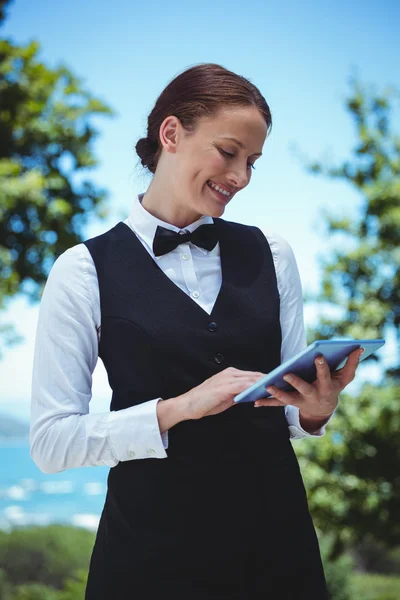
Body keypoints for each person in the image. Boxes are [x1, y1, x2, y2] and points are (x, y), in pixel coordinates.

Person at [30, 63, 363, 599]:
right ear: (171, 134)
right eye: (228, 152)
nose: (241, 177)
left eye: (252, 162)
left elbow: (291, 418)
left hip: (276, 551)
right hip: (149, 557)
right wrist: (176, 409)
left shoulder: (273, 255)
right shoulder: (83, 269)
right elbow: (50, 443)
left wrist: (317, 409)